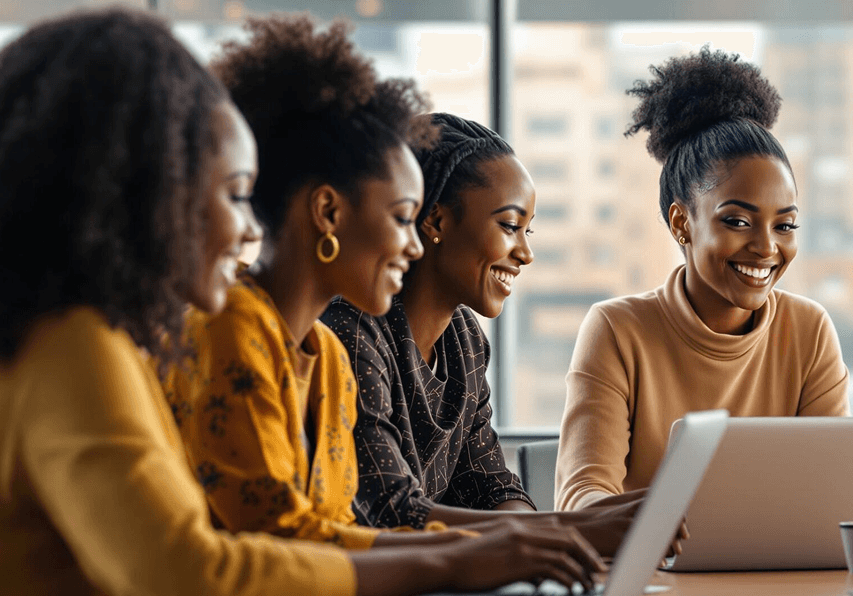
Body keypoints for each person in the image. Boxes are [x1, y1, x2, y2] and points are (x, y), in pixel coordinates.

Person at [0, 8, 603, 596]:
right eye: (235, 195)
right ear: (144, 191)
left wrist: (474, 551)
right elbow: (190, 569)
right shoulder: (75, 348)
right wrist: (455, 561)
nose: (246, 230)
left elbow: (311, 536)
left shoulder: (110, 345)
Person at [161, 13, 601, 568]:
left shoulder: (324, 360)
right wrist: (478, 555)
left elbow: (340, 528)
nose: (414, 244)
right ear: (328, 212)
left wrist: (525, 544)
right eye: (401, 217)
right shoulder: (241, 330)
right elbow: (284, 538)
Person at [321, 112, 645, 555]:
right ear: (434, 220)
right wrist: (571, 530)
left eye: (527, 231)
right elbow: (390, 510)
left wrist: (548, 550)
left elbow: (490, 487)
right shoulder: (352, 329)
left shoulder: (464, 339)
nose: (525, 254)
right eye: (510, 227)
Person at [555, 47, 850, 511]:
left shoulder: (809, 330)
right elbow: (582, 500)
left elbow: (835, 494)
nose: (767, 247)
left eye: (785, 225)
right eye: (737, 221)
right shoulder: (616, 330)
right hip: (654, 577)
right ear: (681, 223)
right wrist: (676, 517)